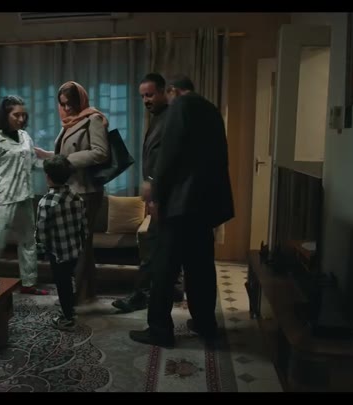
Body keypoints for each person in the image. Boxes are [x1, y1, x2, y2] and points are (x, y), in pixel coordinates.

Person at [129, 75, 235, 347]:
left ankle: (159, 330)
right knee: (201, 268)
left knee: (164, 269)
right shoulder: (211, 110)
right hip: (205, 204)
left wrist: (156, 192)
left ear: (173, 91)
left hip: (179, 205)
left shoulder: (180, 107)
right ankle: (204, 324)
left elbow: (169, 154)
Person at [112, 73, 183, 313]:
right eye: (143, 96)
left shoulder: (171, 118)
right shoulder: (158, 119)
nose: (146, 100)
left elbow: (168, 160)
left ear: (164, 92)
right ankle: (172, 288)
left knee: (152, 249)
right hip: (161, 197)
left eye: (150, 95)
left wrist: (154, 188)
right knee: (161, 247)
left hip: (165, 198)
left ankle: (141, 295)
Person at [34, 81, 109, 305]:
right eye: (63, 104)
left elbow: (100, 152)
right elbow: (64, 153)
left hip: (86, 190)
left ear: (81, 100)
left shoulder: (93, 119)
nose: (67, 108)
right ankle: (86, 291)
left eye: (70, 104)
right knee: (79, 244)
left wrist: (65, 161)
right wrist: (45, 154)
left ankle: (80, 295)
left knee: (81, 245)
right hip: (71, 189)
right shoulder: (70, 122)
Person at [0, 95, 48, 295]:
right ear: (6, 115)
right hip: (5, 199)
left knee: (29, 242)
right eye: (16, 115)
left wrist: (57, 162)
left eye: (24, 115)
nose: (21, 119)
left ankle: (28, 283)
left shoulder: (25, 137)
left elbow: (33, 163)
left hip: (25, 197)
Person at [36, 155, 88, 331]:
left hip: (57, 253)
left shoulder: (46, 202)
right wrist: (81, 244)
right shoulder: (77, 197)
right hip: (75, 250)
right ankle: (70, 308)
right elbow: (84, 225)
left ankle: (67, 318)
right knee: (69, 280)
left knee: (62, 283)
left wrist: (40, 249)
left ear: (48, 177)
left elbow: (42, 232)